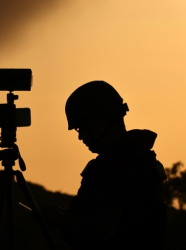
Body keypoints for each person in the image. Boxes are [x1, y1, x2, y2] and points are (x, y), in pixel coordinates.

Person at [43, 81, 167, 250]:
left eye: (81, 127)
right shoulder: (142, 158)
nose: (81, 137)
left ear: (99, 121)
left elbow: (104, 230)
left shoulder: (113, 166)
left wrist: (59, 219)